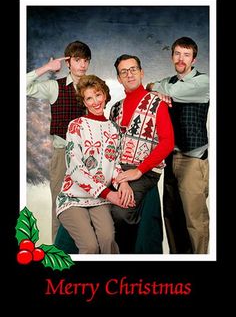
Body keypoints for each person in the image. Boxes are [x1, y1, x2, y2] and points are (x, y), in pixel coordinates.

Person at [56, 75, 135, 254]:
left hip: (99, 200)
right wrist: (109, 194)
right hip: (73, 198)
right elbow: (75, 169)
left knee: (108, 240)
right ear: (83, 102)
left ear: (105, 96)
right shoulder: (76, 126)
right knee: (90, 246)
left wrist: (122, 182)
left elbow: (114, 163)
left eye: (98, 95)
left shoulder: (114, 129)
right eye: (89, 98)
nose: (95, 102)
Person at [147, 36, 209, 254]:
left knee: (195, 219)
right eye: (177, 54)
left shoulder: (204, 82)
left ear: (194, 59)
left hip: (193, 158)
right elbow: (151, 89)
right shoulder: (167, 82)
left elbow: (171, 93)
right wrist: (156, 89)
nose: (181, 59)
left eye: (186, 55)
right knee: (172, 216)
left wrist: (158, 91)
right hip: (170, 157)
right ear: (172, 55)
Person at [26, 40, 91, 242]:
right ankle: (59, 252)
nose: (82, 64)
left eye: (86, 60)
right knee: (60, 205)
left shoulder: (93, 86)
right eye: (77, 60)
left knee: (87, 206)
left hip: (89, 156)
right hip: (62, 155)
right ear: (68, 61)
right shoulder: (56, 87)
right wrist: (47, 68)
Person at [109, 54, 175, 253]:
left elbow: (168, 142)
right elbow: (110, 147)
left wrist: (139, 170)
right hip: (119, 169)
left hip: (145, 170)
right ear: (119, 78)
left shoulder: (157, 103)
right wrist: (121, 179)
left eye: (133, 69)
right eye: (124, 72)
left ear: (141, 72)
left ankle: (126, 255)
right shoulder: (115, 109)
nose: (130, 75)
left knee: (119, 213)